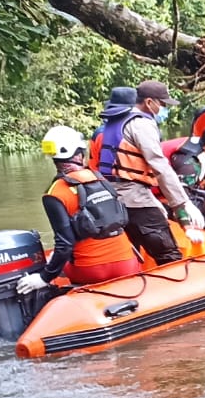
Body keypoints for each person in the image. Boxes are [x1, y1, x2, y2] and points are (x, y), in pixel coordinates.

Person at [15, 125, 142, 297]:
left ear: (54, 158)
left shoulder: (55, 193)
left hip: (89, 271)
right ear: (80, 153)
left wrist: (44, 278)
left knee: (55, 257)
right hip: (127, 264)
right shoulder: (100, 178)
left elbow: (65, 244)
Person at [88, 79, 203, 265]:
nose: (164, 109)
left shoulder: (111, 123)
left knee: (132, 251)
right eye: (163, 104)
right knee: (169, 255)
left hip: (111, 201)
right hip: (135, 200)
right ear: (149, 102)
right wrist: (184, 203)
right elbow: (160, 167)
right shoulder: (141, 123)